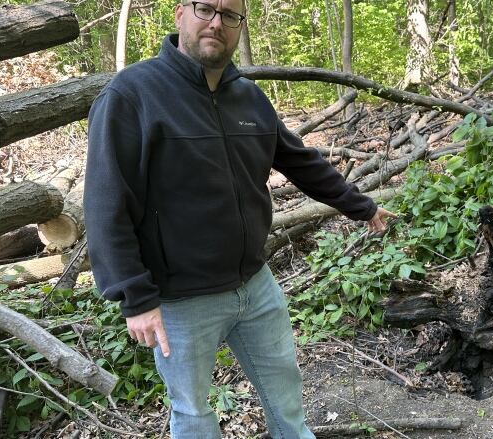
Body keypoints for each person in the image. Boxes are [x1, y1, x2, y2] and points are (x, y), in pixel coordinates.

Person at [83, 0, 395, 437]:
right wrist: (135, 297)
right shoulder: (133, 94)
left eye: (230, 15)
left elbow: (299, 161)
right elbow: (105, 203)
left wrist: (360, 205)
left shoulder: (247, 96)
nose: (217, 23)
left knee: (285, 392)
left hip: (255, 284)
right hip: (181, 300)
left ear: (240, 26)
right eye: (205, 9)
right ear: (179, 14)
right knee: (192, 412)